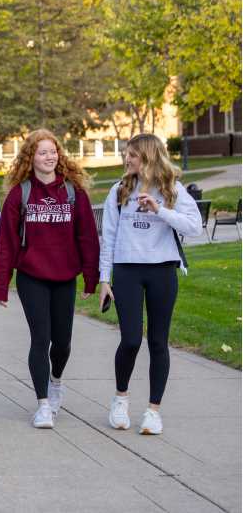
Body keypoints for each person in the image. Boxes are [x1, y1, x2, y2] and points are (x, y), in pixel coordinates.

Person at [0, 129, 100, 429]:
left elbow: (88, 238)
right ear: (31, 157)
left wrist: (91, 278)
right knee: (40, 338)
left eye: (53, 152)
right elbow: (7, 243)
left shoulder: (73, 192)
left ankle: (56, 381)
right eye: (42, 152)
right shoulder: (20, 194)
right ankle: (42, 405)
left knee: (62, 343)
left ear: (59, 155)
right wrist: (1, 285)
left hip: (65, 276)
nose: (49, 157)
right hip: (32, 277)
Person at [99, 133, 201, 435]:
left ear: (148, 156)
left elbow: (194, 227)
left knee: (158, 341)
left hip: (162, 271)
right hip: (127, 271)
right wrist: (105, 279)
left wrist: (161, 210)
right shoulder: (119, 191)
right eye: (126, 154)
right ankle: (120, 400)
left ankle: (153, 411)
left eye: (132, 154)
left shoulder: (173, 190)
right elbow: (109, 239)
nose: (126, 159)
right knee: (130, 340)